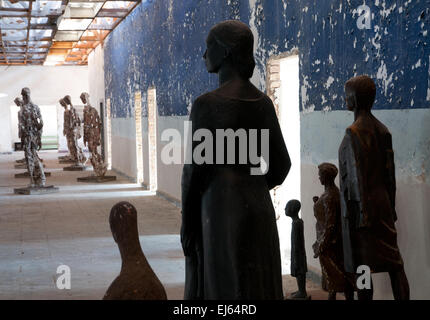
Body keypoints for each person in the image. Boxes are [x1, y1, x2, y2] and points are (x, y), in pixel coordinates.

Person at [181, 20, 291, 300]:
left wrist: (188, 221)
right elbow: (281, 165)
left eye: (209, 47)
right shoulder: (262, 103)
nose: (204, 55)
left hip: (220, 211)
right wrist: (251, 184)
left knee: (224, 289)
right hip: (258, 208)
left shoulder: (206, 104)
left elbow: (193, 172)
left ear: (226, 51)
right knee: (257, 287)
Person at [339, 75, 409, 300]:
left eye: (347, 94)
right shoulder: (383, 130)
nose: (345, 98)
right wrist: (391, 206)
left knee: (362, 266)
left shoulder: (353, 132)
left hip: (362, 208)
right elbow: (390, 176)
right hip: (383, 204)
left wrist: (362, 214)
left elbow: (357, 176)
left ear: (355, 99)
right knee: (395, 264)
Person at [312, 163, 354, 300]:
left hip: (330, 243)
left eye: (320, 175)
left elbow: (330, 224)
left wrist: (321, 246)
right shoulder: (335, 193)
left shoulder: (329, 196)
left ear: (326, 177)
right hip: (335, 240)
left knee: (334, 280)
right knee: (342, 277)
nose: (319, 178)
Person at [20, 87, 45, 187]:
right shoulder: (36, 107)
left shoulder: (24, 109)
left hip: (28, 136)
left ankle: (34, 180)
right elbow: (41, 124)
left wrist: (23, 138)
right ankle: (39, 179)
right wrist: (39, 138)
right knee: (33, 156)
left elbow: (21, 126)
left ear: (24, 96)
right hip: (33, 136)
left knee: (29, 157)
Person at [285, 200, 309, 300]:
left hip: (298, 252)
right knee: (299, 271)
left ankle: (302, 292)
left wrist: (295, 255)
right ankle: (301, 290)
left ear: (292, 209)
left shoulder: (296, 223)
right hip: (298, 252)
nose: (285, 209)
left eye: (286, 207)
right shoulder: (297, 222)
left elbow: (296, 241)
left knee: (299, 271)